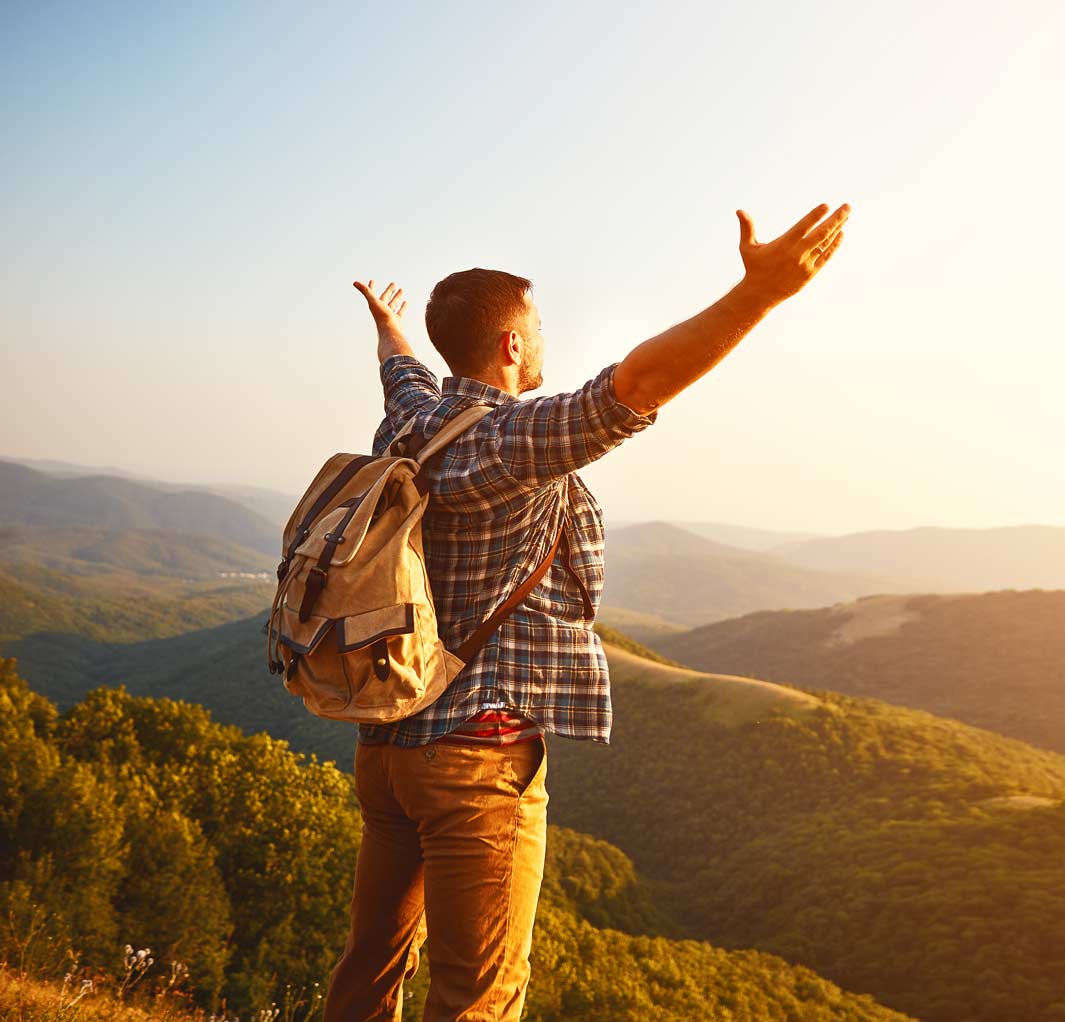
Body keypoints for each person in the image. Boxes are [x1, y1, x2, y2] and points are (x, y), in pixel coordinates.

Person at [320, 201, 851, 1022]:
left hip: (387, 750)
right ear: (512, 345)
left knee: (370, 968)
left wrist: (392, 329)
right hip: (473, 759)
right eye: (538, 328)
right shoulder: (512, 440)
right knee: (476, 996)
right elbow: (633, 387)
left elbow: (402, 371)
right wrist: (759, 295)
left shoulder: (414, 421)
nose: (545, 342)